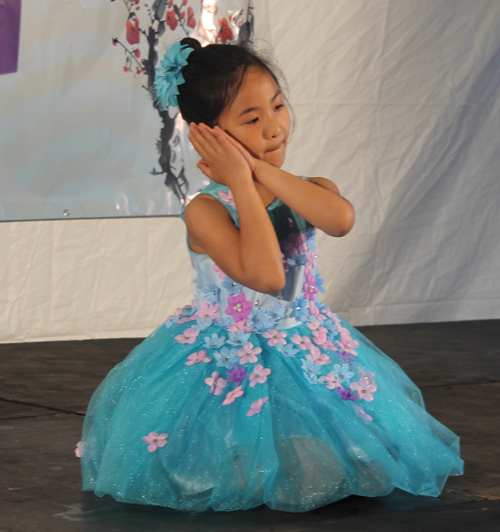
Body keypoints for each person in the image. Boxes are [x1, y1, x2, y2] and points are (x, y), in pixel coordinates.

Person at [77, 38, 464, 512]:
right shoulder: (206, 209)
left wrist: (256, 168)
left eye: (278, 106)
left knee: (328, 444)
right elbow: (264, 275)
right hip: (229, 349)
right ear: (209, 135)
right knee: (242, 451)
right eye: (252, 119)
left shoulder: (310, 189)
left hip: (307, 338)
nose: (275, 126)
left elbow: (340, 220)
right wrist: (240, 181)